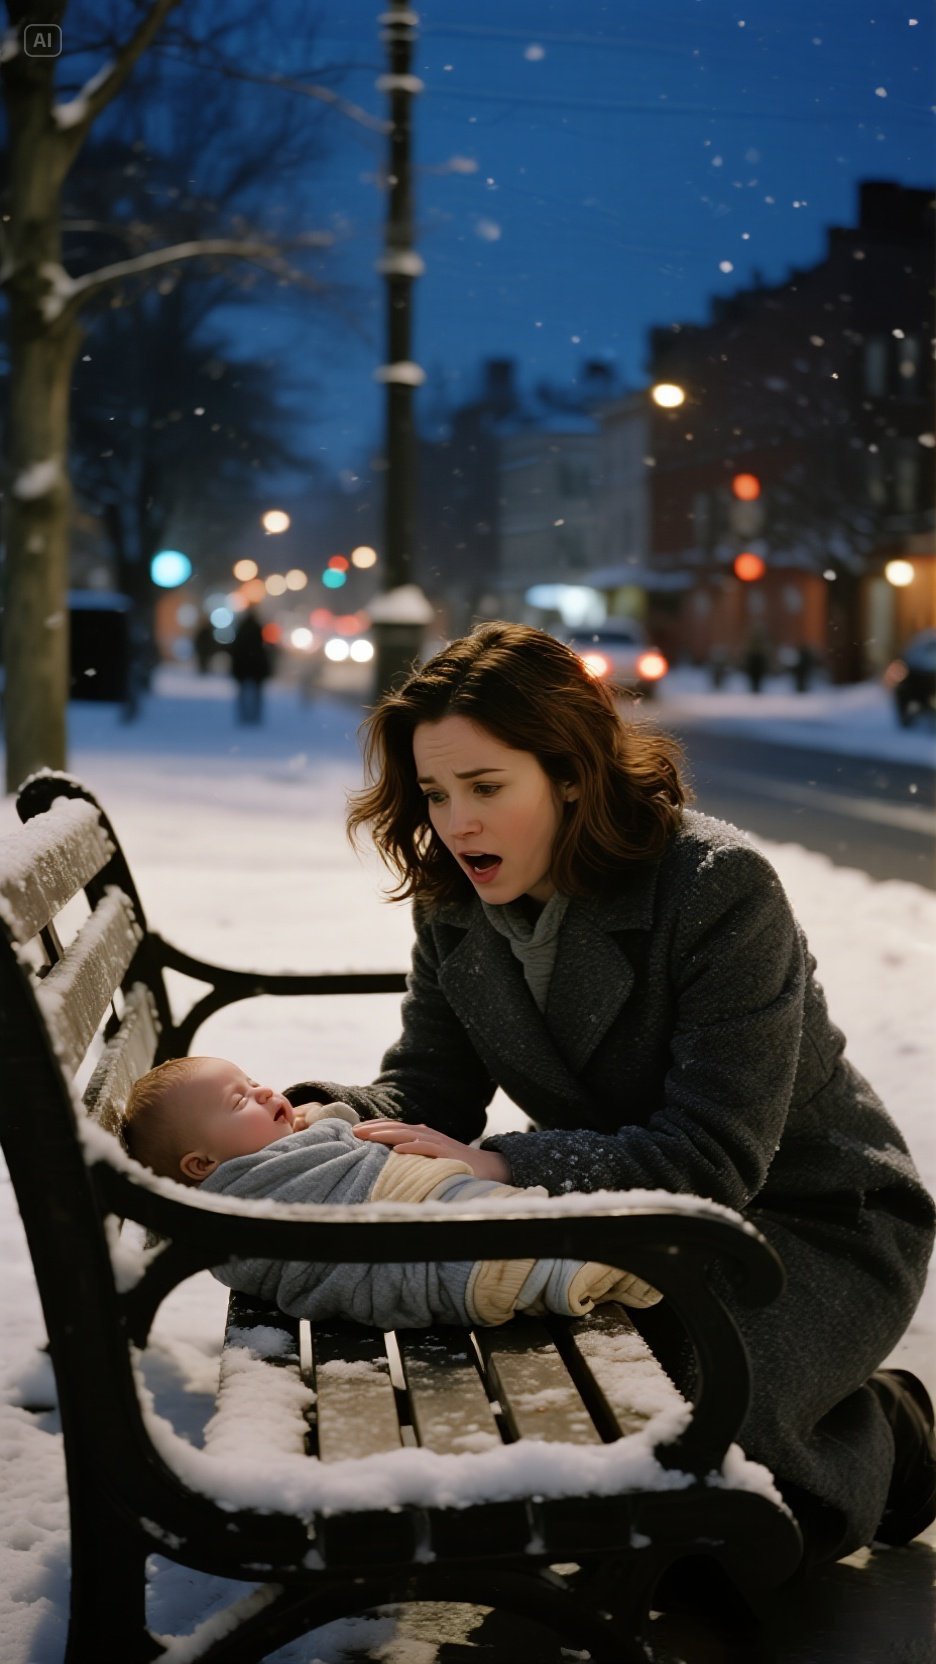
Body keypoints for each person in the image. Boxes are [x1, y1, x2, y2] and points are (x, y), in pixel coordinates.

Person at [282, 620, 935, 1571]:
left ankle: (894, 1433)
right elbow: (430, 1087)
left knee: (693, 1471)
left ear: (574, 774)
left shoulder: (717, 888)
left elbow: (714, 1159)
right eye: (434, 792)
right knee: (614, 1441)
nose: (456, 823)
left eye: (487, 787)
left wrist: (505, 1164)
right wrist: (315, 1117)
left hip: (808, 1219)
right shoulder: (456, 901)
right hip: (640, 1220)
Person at [122, 1054, 661, 1330]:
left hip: (429, 1212)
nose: (266, 1092)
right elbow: (340, 1147)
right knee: (527, 1243)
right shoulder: (245, 1196)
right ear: (203, 1164)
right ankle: (613, 1258)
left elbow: (335, 1140)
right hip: (433, 1247)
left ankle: (611, 1253)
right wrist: (326, 1123)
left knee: (530, 1225)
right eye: (240, 1101)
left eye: (253, 1080)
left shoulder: (249, 1182)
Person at [229, 607, 272, 723]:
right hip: (256, 666)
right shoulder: (258, 628)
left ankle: (244, 715)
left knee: (243, 692)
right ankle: (255, 715)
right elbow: (264, 648)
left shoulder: (241, 629)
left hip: (243, 666)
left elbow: (236, 648)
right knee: (257, 693)